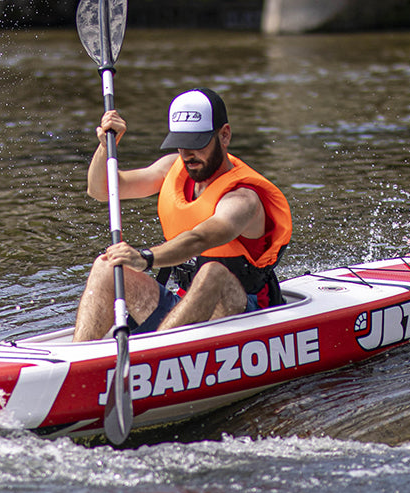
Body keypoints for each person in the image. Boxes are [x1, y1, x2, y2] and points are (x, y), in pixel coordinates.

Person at [73, 87, 292, 342]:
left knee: (213, 273)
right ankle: (79, 359)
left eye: (197, 144)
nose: (188, 154)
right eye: (181, 144)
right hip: (183, 310)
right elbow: (100, 190)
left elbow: (199, 239)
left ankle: (156, 354)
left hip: (244, 318)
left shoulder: (243, 198)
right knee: (106, 266)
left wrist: (145, 258)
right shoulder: (171, 169)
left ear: (224, 135)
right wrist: (105, 146)